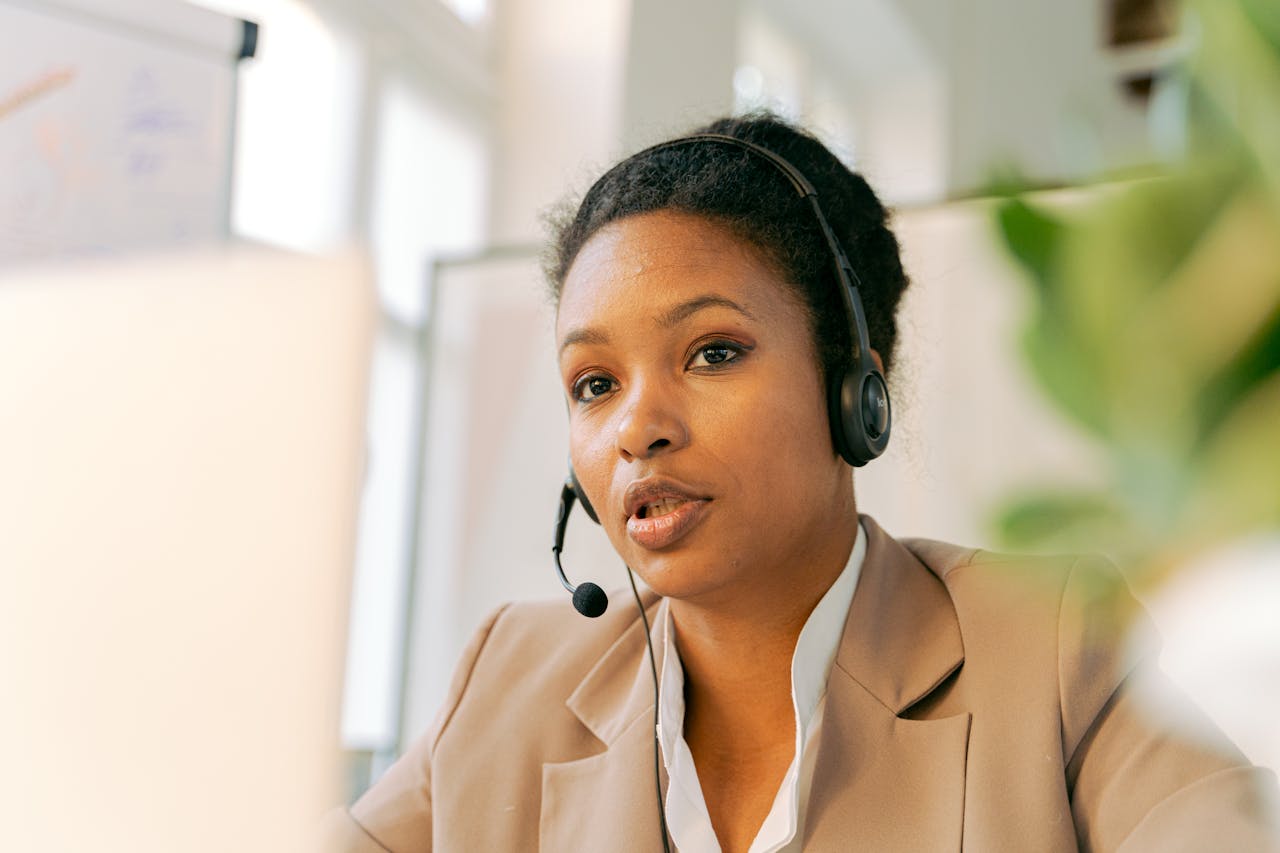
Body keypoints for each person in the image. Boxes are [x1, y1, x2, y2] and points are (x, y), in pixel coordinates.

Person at [322, 114, 1279, 852]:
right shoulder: (509, 679)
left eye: (713, 351)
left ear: (849, 386)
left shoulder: (1056, 644)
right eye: (595, 383)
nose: (635, 428)